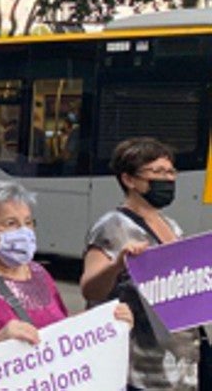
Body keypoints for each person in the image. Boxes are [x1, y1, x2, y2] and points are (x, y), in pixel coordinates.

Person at [0, 181, 131, 362]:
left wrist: (103, 321)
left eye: (28, 223)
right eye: (11, 224)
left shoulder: (38, 274)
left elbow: (58, 331)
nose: (23, 232)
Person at [81, 137, 197, 390]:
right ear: (129, 179)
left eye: (170, 171)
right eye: (157, 172)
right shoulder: (111, 227)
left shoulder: (171, 225)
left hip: (183, 365)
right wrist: (117, 265)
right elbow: (90, 289)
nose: (167, 179)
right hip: (142, 368)